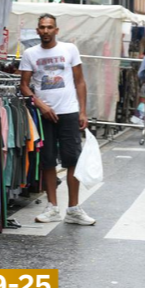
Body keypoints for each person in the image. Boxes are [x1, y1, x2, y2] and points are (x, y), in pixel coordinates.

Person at [19, 13, 96, 225]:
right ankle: (52, 207)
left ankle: (73, 209)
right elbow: (23, 85)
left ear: (56, 30)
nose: (46, 31)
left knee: (73, 160)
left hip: (69, 111)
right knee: (48, 161)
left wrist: (82, 111)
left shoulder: (69, 49)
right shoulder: (30, 54)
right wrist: (40, 105)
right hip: (44, 115)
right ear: (37, 30)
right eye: (42, 27)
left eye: (49, 27)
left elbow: (80, 81)